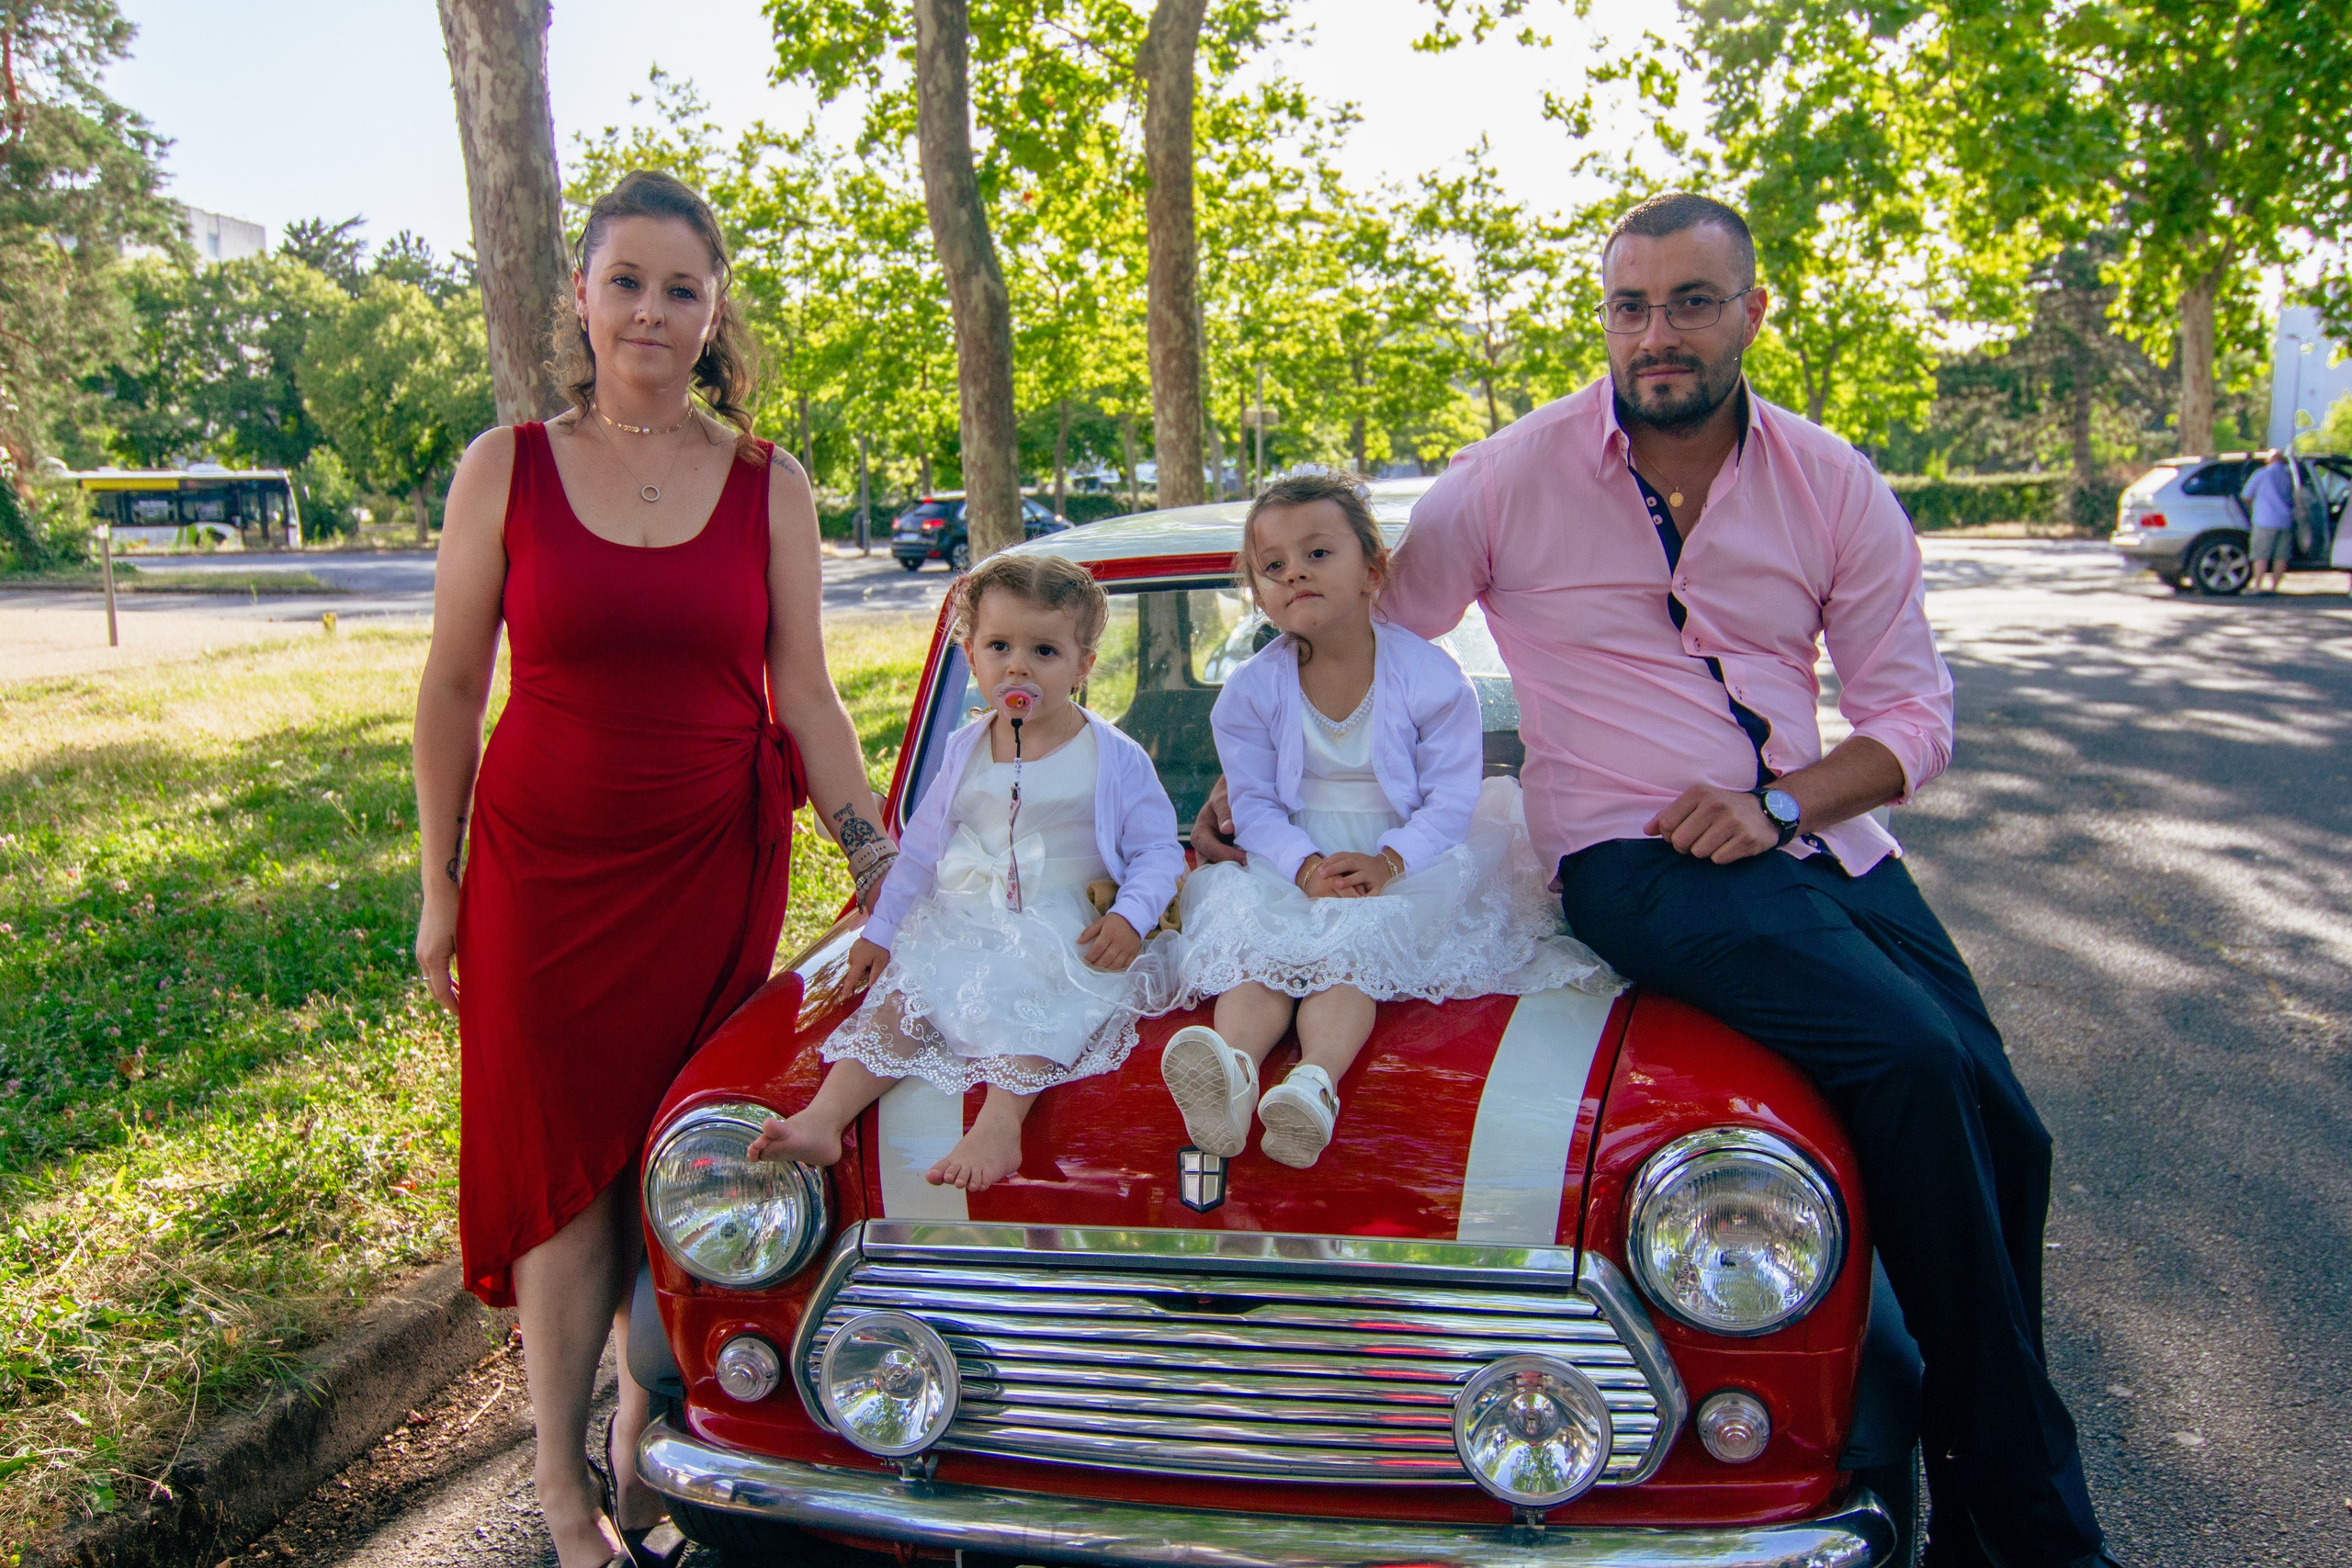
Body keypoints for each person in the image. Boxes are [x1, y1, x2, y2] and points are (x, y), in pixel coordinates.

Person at [1195, 194, 2115, 1567]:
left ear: (1752, 312)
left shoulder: (1831, 483)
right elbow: (1355, 623)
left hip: (1821, 841)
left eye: (1691, 301)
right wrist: (1243, 782)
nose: (1657, 333)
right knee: (1917, 1068)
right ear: (1607, 321)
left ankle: (1967, 1461)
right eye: (1631, 305)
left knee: (2009, 1132)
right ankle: (2031, 1532)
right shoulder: (1509, 478)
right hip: (1631, 853)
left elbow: (1912, 718)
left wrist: (1784, 801)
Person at [413, 170, 897, 1568]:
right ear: (580, 293)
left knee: (669, 1157)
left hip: (706, 867)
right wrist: (437, 881)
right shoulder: (503, 465)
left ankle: (640, 1442)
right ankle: (563, 1492)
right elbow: (451, 687)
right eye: (625, 279)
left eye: (681, 286)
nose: (651, 309)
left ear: (714, 307)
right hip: (540, 874)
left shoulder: (768, 482)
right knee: (563, 1181)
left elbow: (806, 693)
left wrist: (871, 850)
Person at [1163, 473, 1610, 1168]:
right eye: (1273, 566)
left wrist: (1389, 862)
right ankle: (1233, 1074)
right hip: (1293, 855)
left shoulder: (1431, 678)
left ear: (1373, 570)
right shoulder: (1249, 693)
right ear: (1258, 594)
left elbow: (1450, 801)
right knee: (1255, 953)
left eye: (1317, 553)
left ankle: (1313, 1083)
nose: (1295, 574)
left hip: (1406, 856)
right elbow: (1253, 805)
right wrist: (1306, 867)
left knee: (1351, 957)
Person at [751, 554, 1185, 1190]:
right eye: (999, 646)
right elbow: (921, 850)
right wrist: (882, 930)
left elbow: (1158, 851)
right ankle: (825, 1115)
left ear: (1083, 665)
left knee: (1043, 993)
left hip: (1062, 924)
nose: (1018, 666)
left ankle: (1000, 1123)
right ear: (971, 655)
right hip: (964, 917)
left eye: (1043, 650)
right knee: (901, 999)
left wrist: (1130, 915)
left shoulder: (1111, 755)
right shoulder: (964, 746)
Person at [2240, 450, 2296, 595]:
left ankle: (2258, 586)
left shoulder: (2262, 473)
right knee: (2281, 556)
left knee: (2260, 555)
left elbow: (2246, 495)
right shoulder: (2289, 475)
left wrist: (2253, 507)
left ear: (2269, 460)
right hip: (2285, 520)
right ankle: (2274, 588)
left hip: (2264, 520)